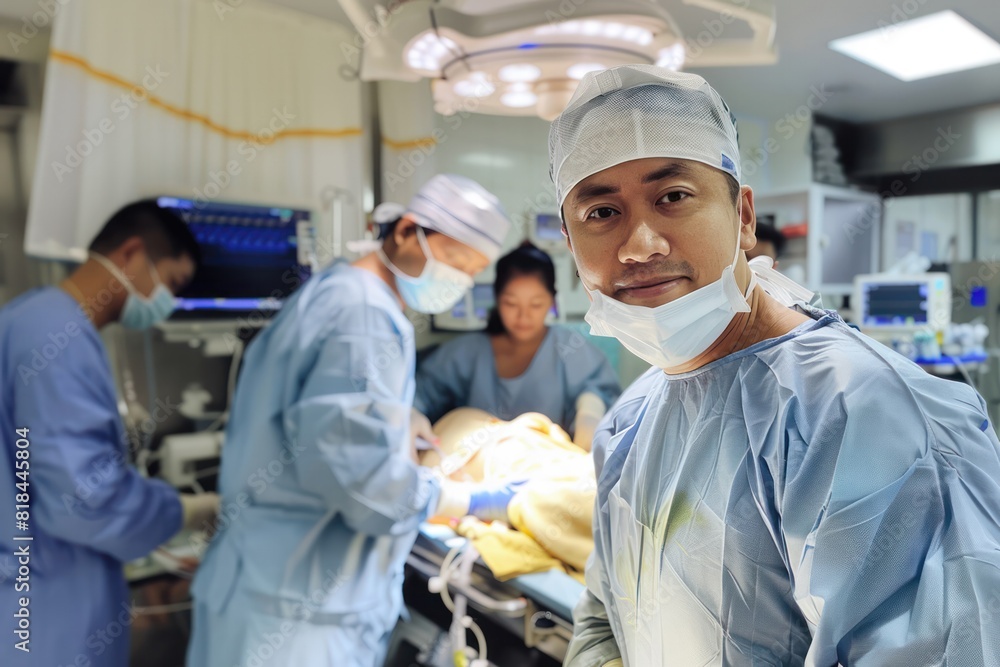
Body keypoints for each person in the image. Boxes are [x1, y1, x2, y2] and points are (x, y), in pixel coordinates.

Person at [551, 65, 1000, 666]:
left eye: (673, 197)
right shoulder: (630, 421)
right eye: (601, 213)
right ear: (570, 240)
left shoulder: (866, 417)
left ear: (742, 216)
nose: (640, 245)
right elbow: (604, 618)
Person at [186, 174, 522, 667]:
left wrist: (393, 416)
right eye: (454, 259)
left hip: (267, 590)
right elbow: (364, 485)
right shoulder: (363, 316)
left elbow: (318, 411)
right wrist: (461, 497)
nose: (460, 280)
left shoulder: (338, 291)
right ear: (408, 231)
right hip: (296, 615)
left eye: (473, 272)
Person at [0, 200, 220, 667]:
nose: (166, 302)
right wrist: (184, 510)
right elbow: (84, 500)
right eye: (171, 283)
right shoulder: (57, 338)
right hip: (47, 608)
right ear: (131, 253)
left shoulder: (30, 318)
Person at [415, 242, 620, 450]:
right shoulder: (465, 353)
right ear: (497, 299)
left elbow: (601, 395)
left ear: (552, 300)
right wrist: (411, 415)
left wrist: (589, 413)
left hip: (547, 464)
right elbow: (421, 394)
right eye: (511, 304)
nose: (523, 316)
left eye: (536, 304)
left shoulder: (572, 350)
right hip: (479, 466)